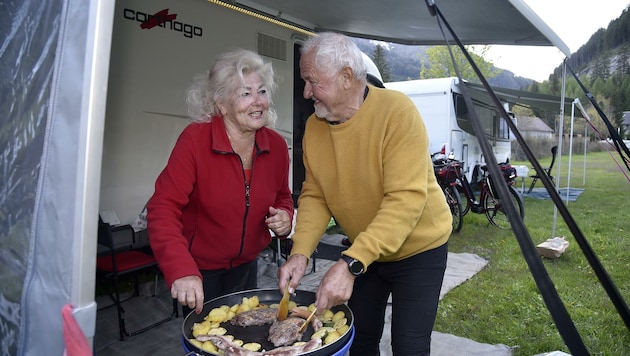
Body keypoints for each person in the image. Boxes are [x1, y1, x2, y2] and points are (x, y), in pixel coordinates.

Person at [277, 33, 452, 356]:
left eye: (312, 82)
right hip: (365, 252)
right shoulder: (315, 127)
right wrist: (299, 252)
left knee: (409, 347)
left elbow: (405, 201)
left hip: (419, 250)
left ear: (346, 77)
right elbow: (316, 195)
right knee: (359, 340)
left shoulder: (397, 112)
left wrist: (349, 265)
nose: (305, 92)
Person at [147, 49, 294, 316]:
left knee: (244, 337)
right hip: (199, 271)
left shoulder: (277, 146)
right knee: (208, 341)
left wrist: (284, 215)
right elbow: (162, 208)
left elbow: (283, 196)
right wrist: (181, 269)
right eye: (245, 93)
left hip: (247, 266)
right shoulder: (195, 140)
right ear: (221, 103)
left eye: (262, 91)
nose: (258, 101)